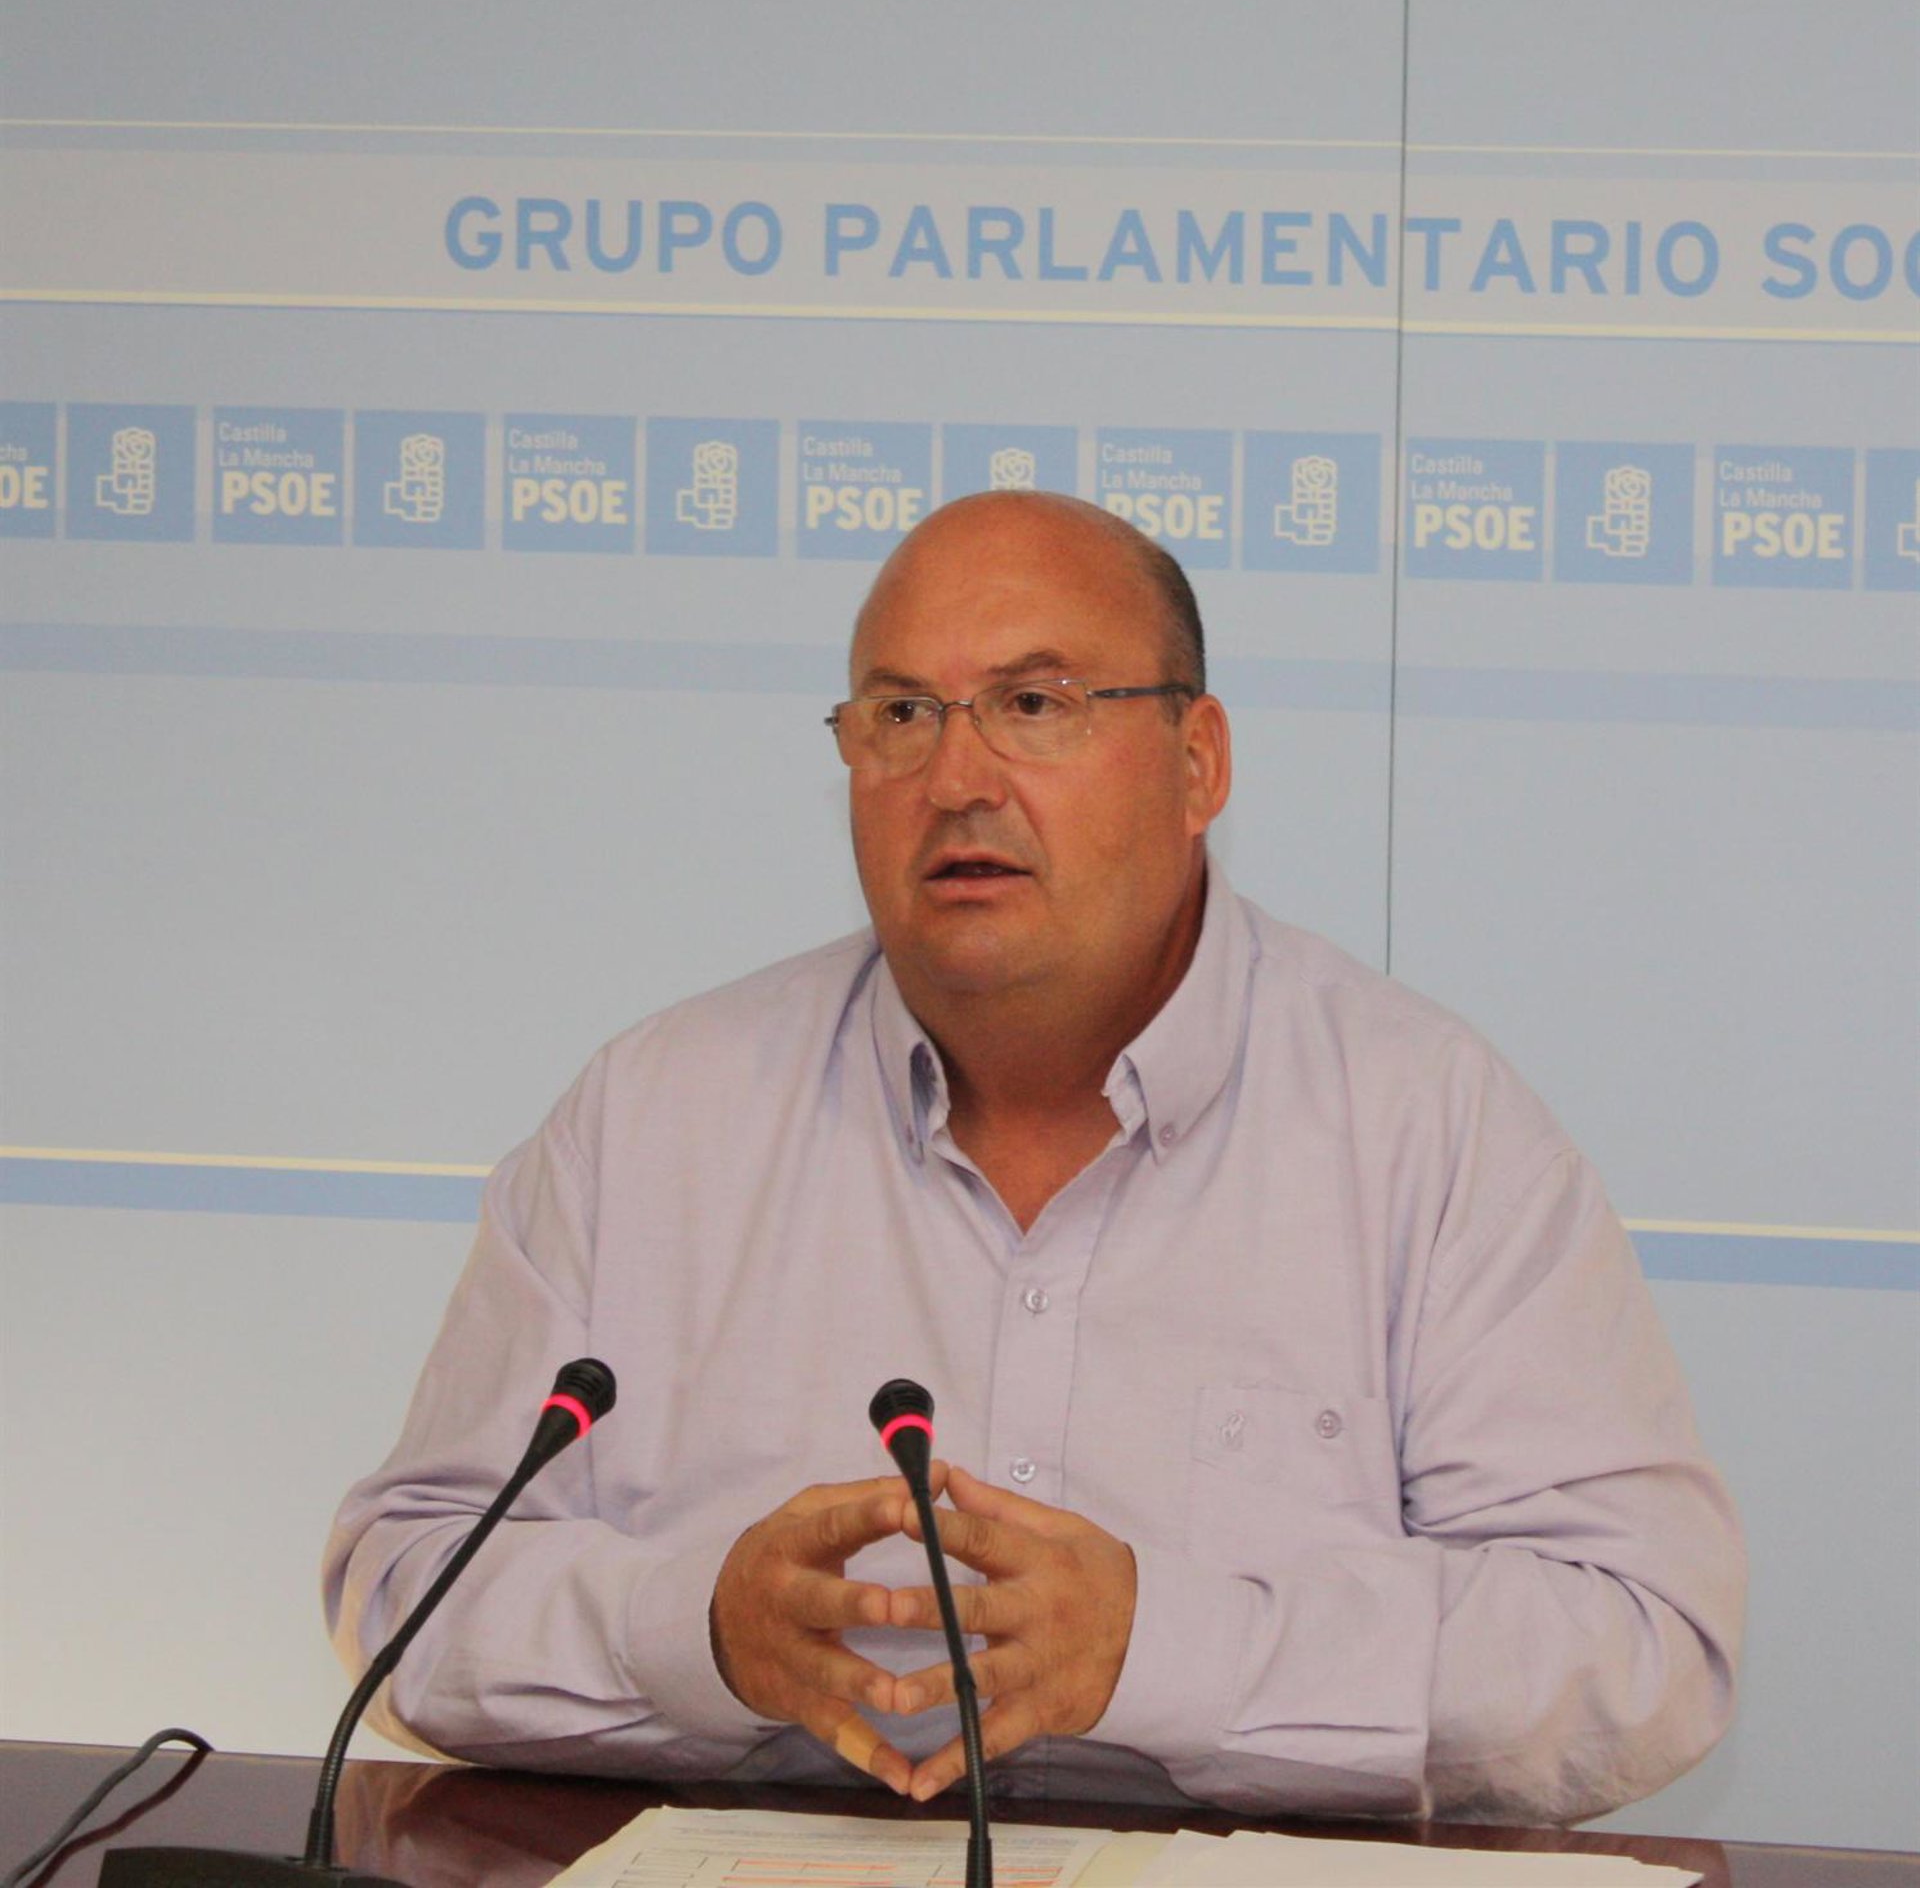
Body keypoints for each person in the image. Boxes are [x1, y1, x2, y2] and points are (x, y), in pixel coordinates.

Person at [324, 491, 1744, 1822]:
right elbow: (404, 1590)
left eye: (1035, 704)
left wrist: (1167, 1651)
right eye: (900, 715)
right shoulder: (654, 1120)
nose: (956, 779)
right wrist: (693, 1633)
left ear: (1198, 761)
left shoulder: (1426, 1126)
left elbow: (1640, 1649)